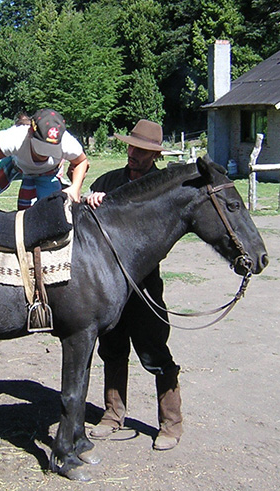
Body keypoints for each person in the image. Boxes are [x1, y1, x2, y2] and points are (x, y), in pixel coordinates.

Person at [85, 119, 183, 451]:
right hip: (109, 283)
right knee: (112, 347)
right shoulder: (109, 181)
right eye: (131, 147)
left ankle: (171, 423)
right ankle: (113, 414)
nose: (133, 154)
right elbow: (88, 226)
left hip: (144, 284)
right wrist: (91, 202)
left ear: (154, 155)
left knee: (154, 351)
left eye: (141, 151)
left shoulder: (162, 186)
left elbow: (164, 236)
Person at [0, 109, 89, 210]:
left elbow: (82, 161)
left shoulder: (67, 142)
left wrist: (75, 187)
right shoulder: (16, 138)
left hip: (47, 174)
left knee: (53, 211)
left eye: (51, 150)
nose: (45, 154)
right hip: (14, 164)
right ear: (30, 133)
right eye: (42, 149)